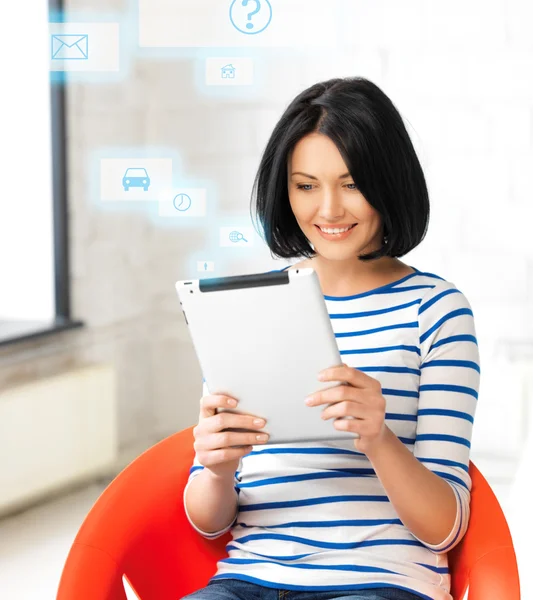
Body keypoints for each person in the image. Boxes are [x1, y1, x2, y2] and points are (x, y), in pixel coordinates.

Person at [181, 77, 480, 600]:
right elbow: (208, 524)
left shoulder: (436, 310)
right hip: (248, 579)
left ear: (388, 183)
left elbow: (446, 527)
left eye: (352, 183)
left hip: (380, 581)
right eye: (306, 185)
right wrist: (217, 470)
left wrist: (378, 439)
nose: (329, 211)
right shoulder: (245, 309)